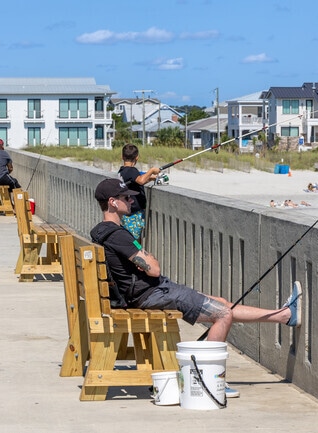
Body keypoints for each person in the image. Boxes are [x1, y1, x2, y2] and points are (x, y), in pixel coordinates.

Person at [90, 178, 301, 398]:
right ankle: (208, 379)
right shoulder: (118, 235)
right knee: (222, 313)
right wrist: (148, 257)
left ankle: (285, 315)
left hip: (144, 292)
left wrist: (144, 257)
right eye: (126, 197)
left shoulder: (101, 231)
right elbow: (153, 269)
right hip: (150, 294)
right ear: (113, 202)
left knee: (221, 302)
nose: (131, 200)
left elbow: (144, 264)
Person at [118, 143, 160, 241]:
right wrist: (152, 170)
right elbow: (140, 180)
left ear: (122, 157)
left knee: (129, 237)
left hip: (126, 211)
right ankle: (137, 253)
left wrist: (150, 178)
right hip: (133, 213)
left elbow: (135, 182)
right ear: (137, 158)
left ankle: (136, 252)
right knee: (134, 240)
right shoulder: (132, 170)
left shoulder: (122, 171)